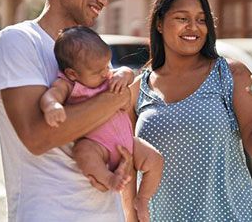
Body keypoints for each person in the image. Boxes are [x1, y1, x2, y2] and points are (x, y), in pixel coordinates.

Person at [0, 0, 134, 222]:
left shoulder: (92, 52)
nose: (103, 0)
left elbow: (119, 126)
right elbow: (38, 137)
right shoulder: (17, 41)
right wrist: (116, 98)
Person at [128, 0, 252, 221]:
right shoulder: (137, 89)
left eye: (202, 19)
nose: (194, 27)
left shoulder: (229, 75)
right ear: (159, 23)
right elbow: (128, 172)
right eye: (182, 18)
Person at [40, 26, 163, 221]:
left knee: (155, 160)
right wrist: (52, 106)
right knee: (82, 151)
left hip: (127, 142)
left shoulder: (109, 75)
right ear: (73, 73)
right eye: (98, 71)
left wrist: (124, 75)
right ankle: (108, 179)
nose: (106, 73)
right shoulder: (68, 84)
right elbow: (52, 94)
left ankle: (143, 199)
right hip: (99, 146)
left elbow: (127, 71)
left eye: (107, 66)